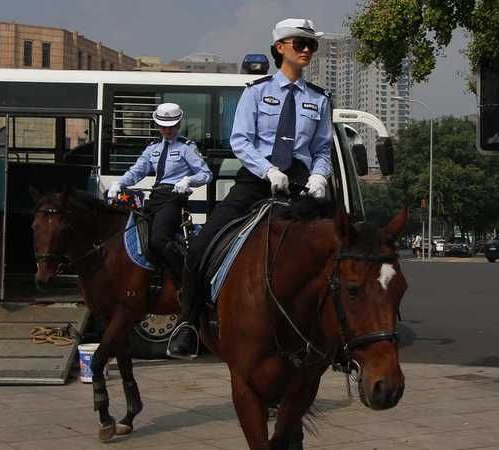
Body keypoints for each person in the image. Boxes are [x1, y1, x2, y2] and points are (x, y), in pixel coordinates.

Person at [167, 18, 333, 359]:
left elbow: (322, 150)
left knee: (339, 251)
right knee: (200, 247)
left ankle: (332, 337)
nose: (306, 51)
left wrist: (319, 176)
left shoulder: (319, 99)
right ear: (280, 48)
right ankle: (188, 324)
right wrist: (268, 169)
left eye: (311, 45)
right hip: (256, 182)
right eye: (300, 44)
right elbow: (240, 141)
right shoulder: (256, 92)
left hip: (300, 186)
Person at [107, 103, 212, 282]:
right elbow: (136, 172)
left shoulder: (186, 147)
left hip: (174, 199)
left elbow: (206, 174)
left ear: (178, 125)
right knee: (133, 233)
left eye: (171, 127)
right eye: (163, 126)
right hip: (155, 197)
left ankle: (186, 280)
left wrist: (188, 180)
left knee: (158, 239)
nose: (166, 130)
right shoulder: (153, 148)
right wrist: (118, 183)